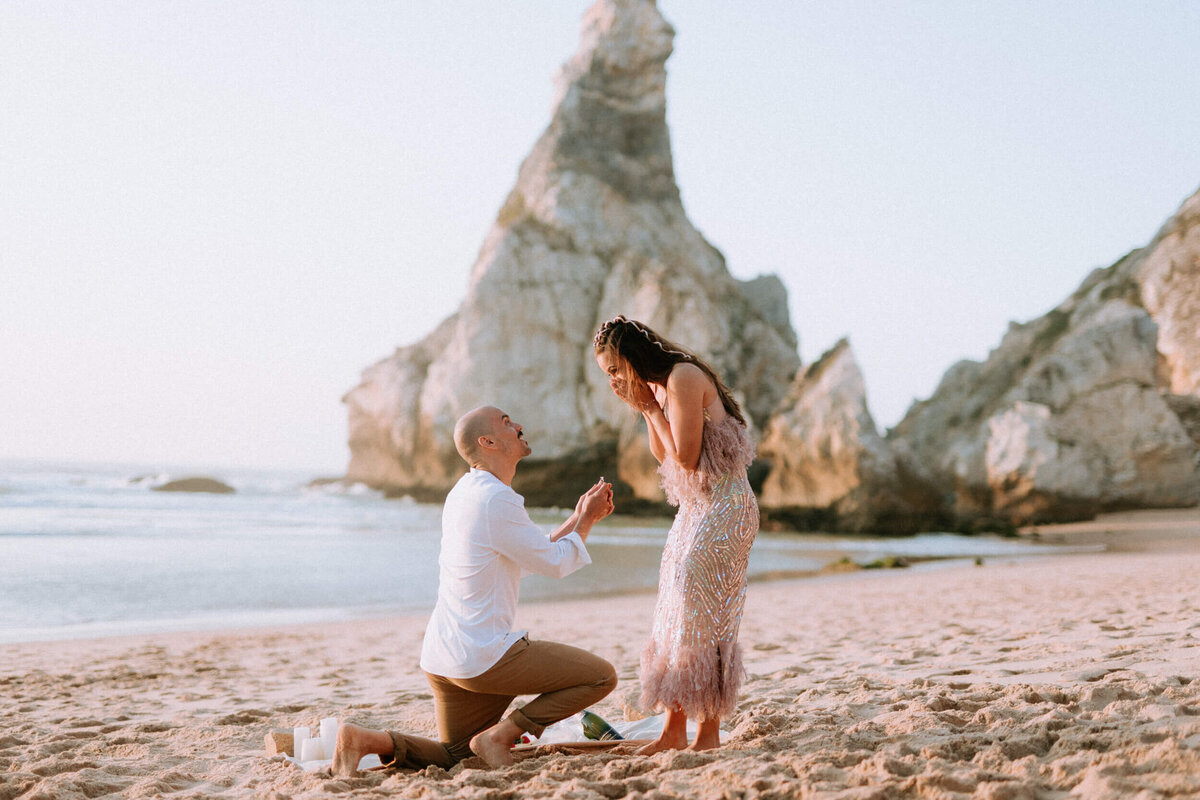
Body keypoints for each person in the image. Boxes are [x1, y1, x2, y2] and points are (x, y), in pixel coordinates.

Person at [332, 405, 617, 774]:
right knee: (601, 676)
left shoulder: (466, 491)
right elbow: (554, 564)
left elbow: (526, 554)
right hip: (482, 657)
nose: (518, 424)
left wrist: (578, 518)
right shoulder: (496, 500)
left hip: (443, 655)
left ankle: (364, 740)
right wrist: (588, 522)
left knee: (456, 756)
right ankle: (501, 736)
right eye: (506, 422)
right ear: (488, 441)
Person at [592, 315, 758, 754]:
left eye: (613, 369)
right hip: (694, 508)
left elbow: (685, 457)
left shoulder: (684, 376)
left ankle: (706, 734)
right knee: (674, 611)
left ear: (630, 358)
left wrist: (648, 408)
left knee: (704, 617)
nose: (611, 379)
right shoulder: (661, 387)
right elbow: (660, 453)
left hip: (725, 508)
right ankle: (672, 731)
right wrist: (645, 406)